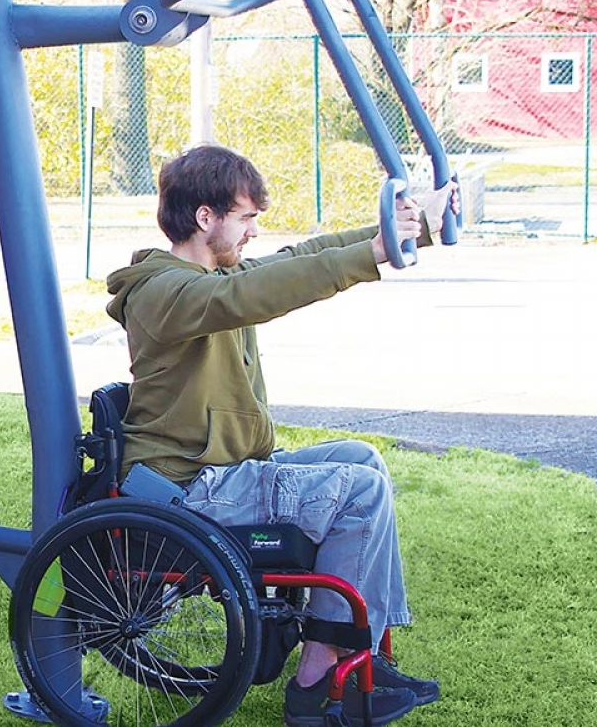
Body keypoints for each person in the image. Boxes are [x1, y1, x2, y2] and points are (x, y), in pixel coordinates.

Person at [104, 144, 455, 727]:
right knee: (357, 493)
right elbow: (249, 296)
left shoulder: (212, 275)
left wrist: (405, 222)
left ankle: (358, 646)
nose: (251, 234)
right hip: (191, 487)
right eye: (244, 219)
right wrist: (370, 255)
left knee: (361, 460)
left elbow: (301, 255)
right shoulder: (164, 292)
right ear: (205, 217)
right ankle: (318, 674)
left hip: (227, 468)